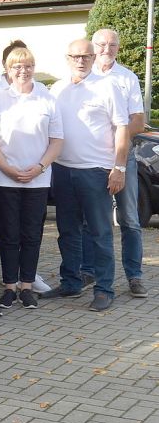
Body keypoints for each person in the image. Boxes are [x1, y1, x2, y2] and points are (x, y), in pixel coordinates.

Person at [43, 39, 130, 312]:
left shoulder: (108, 86)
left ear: (93, 58)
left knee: (100, 233)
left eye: (86, 56)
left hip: (96, 171)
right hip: (63, 169)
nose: (81, 61)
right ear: (67, 58)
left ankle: (105, 289)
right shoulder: (57, 89)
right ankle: (71, 282)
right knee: (67, 231)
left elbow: (123, 129)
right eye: (75, 56)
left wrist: (120, 168)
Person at [0, 47, 63, 310]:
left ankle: (26, 286)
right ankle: (8, 287)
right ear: (7, 70)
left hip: (38, 179)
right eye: (17, 66)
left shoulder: (47, 98)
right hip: (5, 178)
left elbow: (57, 140)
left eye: (27, 65)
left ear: (33, 67)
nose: (23, 71)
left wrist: (39, 167)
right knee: (8, 235)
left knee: (32, 234)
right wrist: (6, 168)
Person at [78, 29, 148, 298]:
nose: (107, 48)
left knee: (130, 218)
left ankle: (134, 275)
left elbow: (138, 122)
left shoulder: (127, 78)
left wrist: (114, 137)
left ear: (118, 48)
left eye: (112, 44)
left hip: (122, 157)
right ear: (93, 47)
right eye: (101, 44)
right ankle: (88, 271)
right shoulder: (82, 75)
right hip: (90, 159)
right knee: (90, 219)